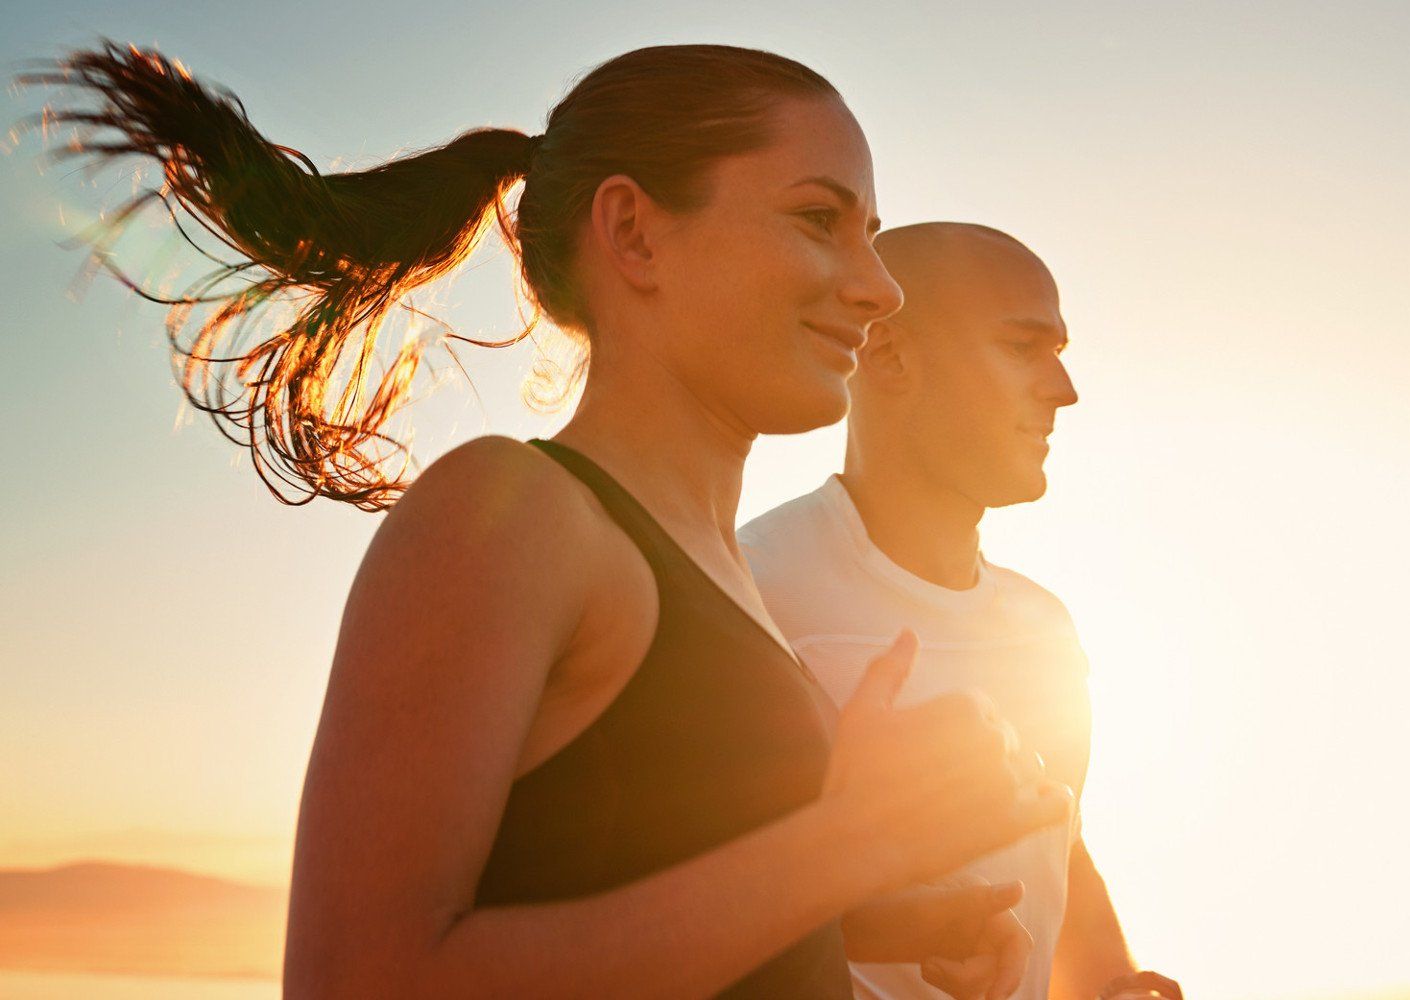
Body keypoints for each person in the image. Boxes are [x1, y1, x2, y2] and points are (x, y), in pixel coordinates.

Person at [31, 43, 1073, 999]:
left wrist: (866, 918)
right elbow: (362, 978)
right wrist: (847, 845)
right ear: (632, 232)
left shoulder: (719, 569)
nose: (879, 287)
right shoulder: (510, 516)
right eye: (820, 221)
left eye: (875, 237)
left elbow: (610, 884)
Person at [741, 223, 1181, 1000]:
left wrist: (1116, 986)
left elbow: (1060, 852)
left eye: (1061, 353)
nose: (1063, 389)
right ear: (885, 353)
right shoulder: (751, 589)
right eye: (1024, 347)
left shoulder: (1047, 628)